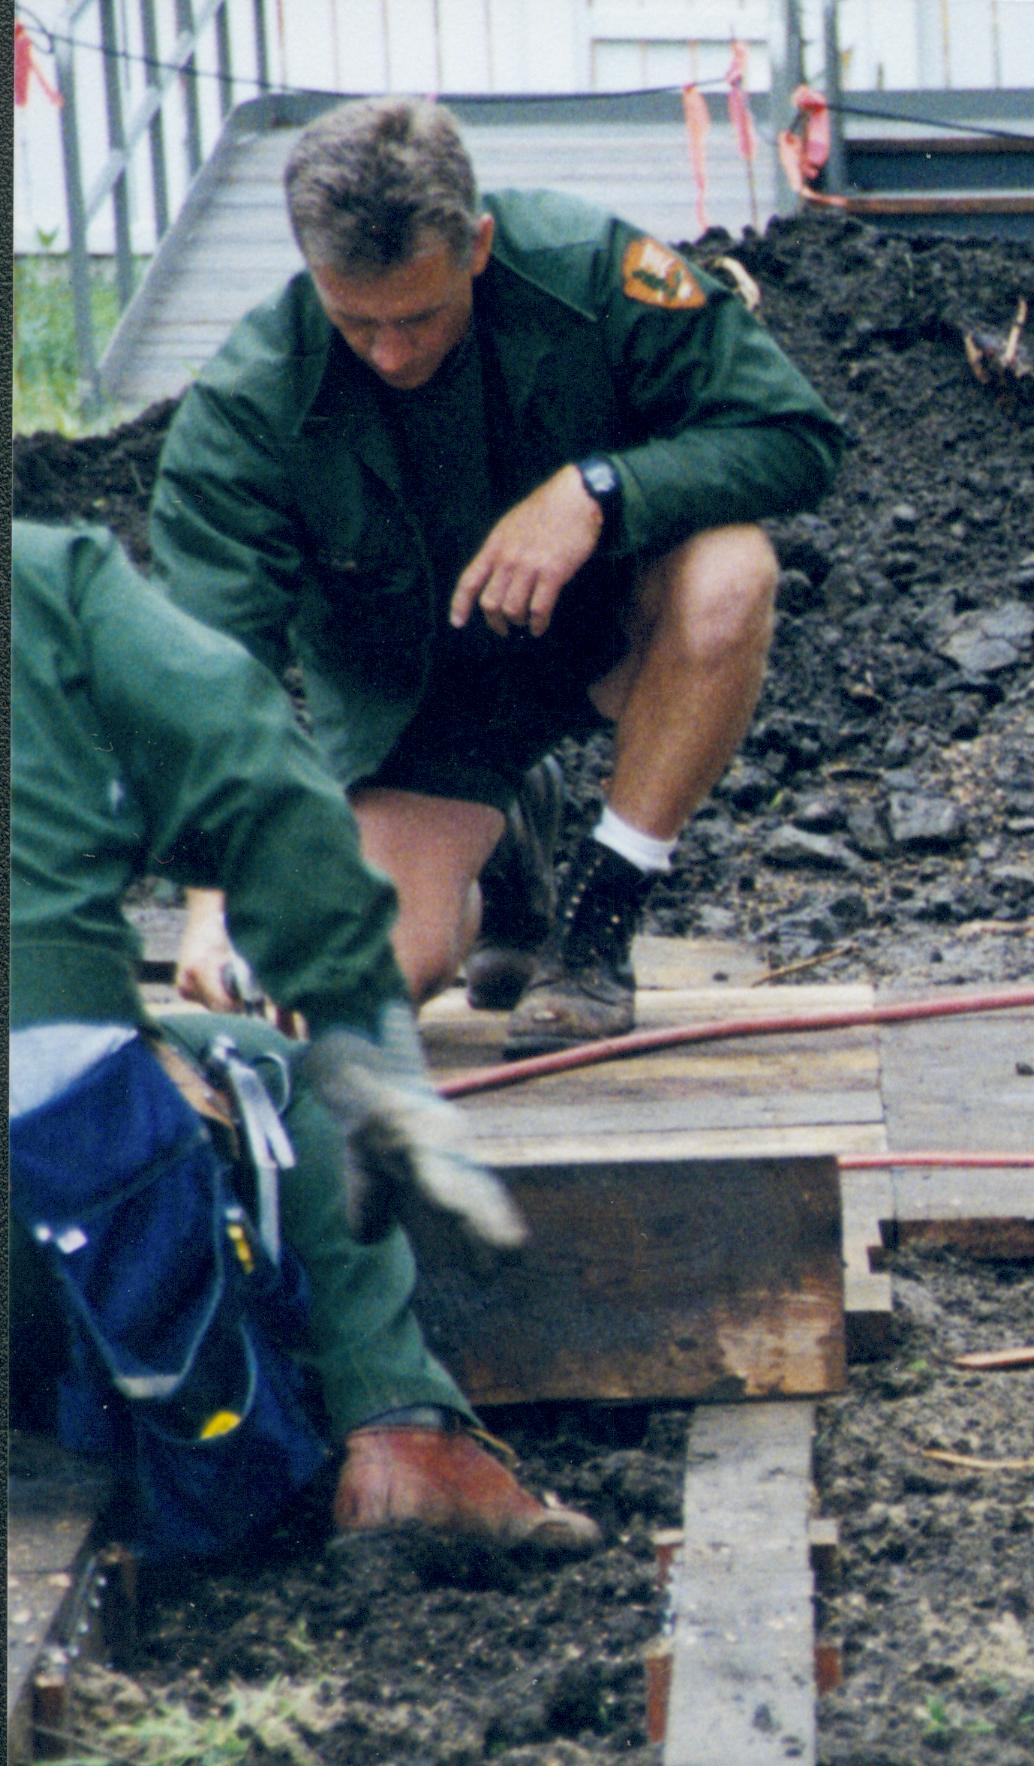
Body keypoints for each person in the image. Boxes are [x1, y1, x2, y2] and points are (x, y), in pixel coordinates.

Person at [152, 93, 846, 1053]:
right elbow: (209, 676)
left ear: (476, 245)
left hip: (610, 631)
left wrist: (598, 490)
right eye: (357, 323)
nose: (391, 353)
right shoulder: (247, 410)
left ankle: (597, 932)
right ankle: (507, 854)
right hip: (425, 711)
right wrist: (211, 899)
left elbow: (797, 439)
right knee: (360, 987)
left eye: (420, 317)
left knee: (733, 568)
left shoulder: (590, 275)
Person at [11, 520, 600, 1556]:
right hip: (58, 1187)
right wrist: (364, 1044)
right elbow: (255, 770)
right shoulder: (46, 580)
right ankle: (404, 1438)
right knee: (266, 1072)